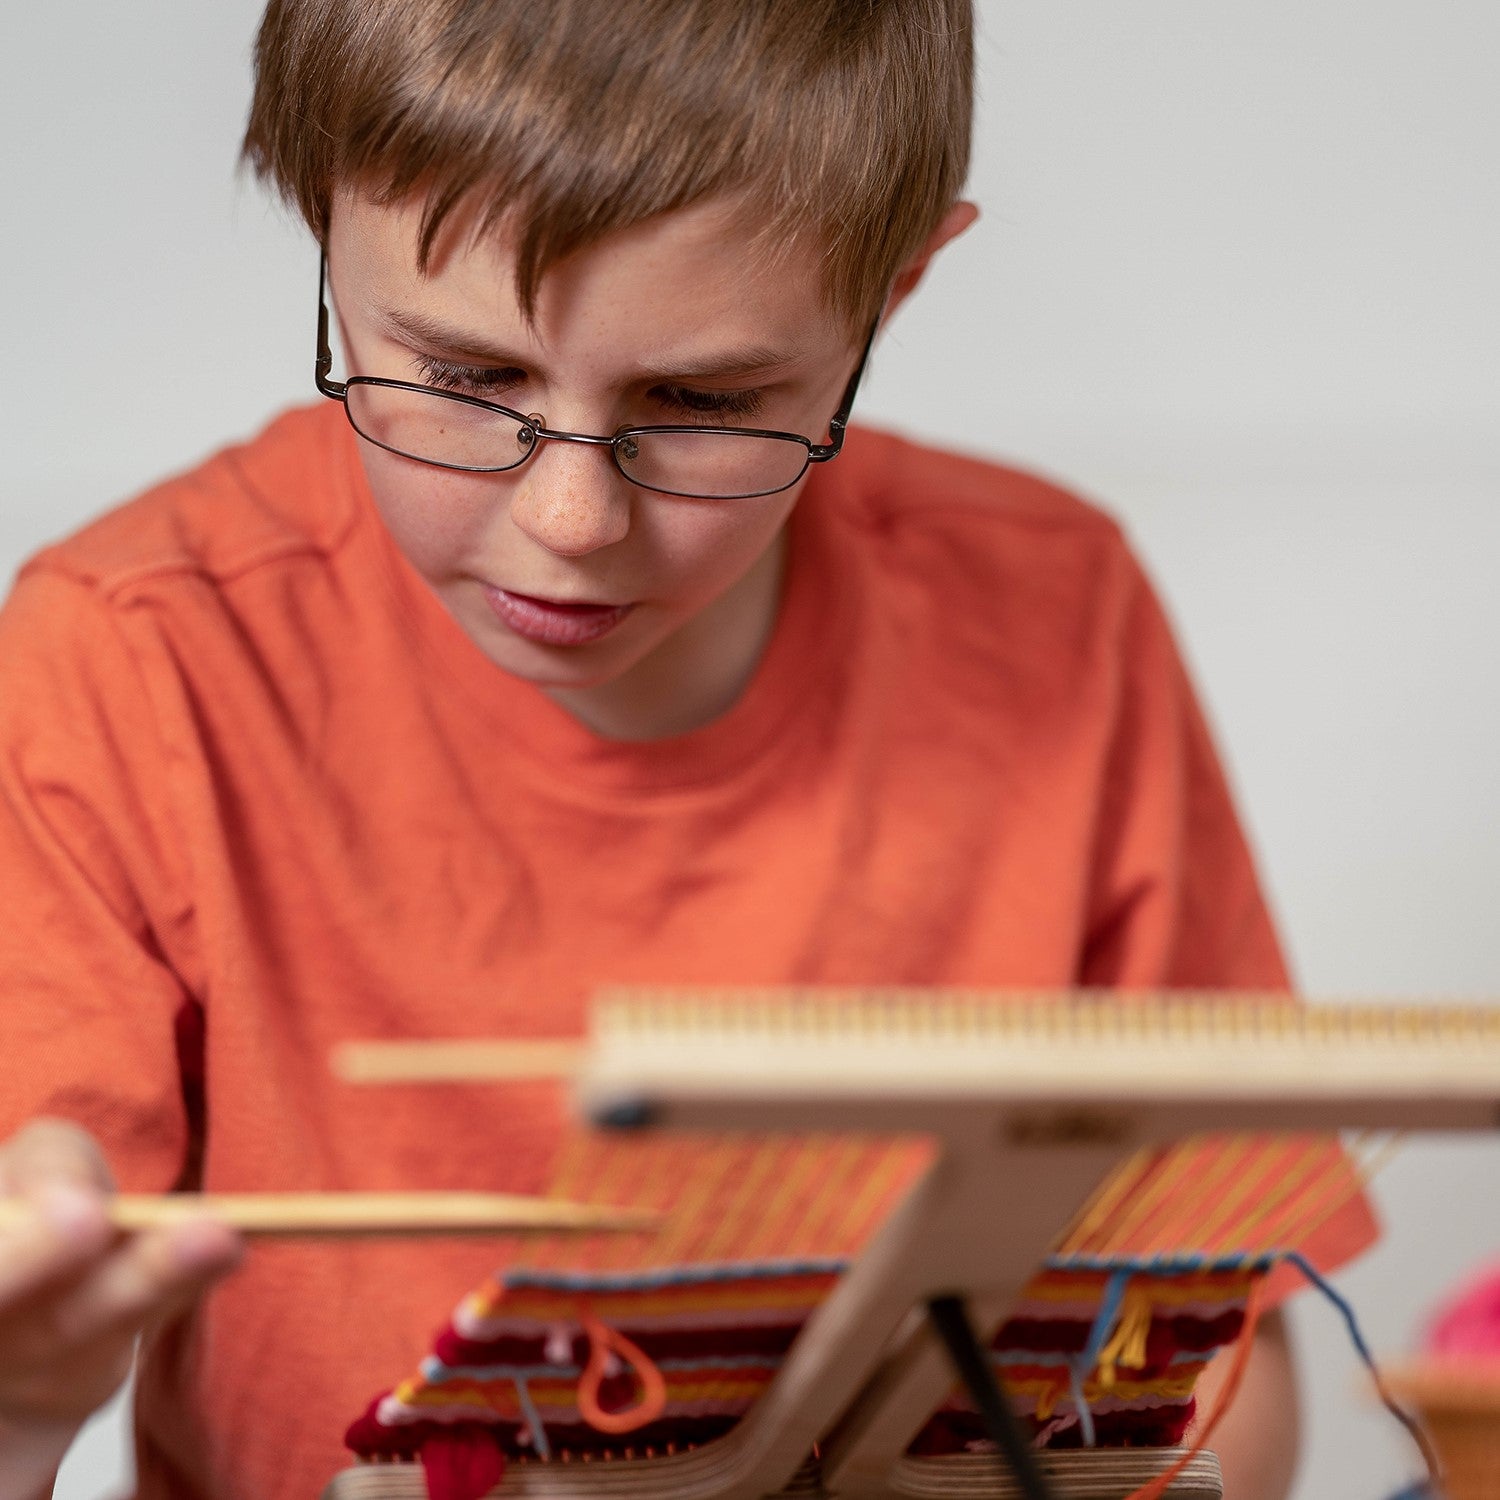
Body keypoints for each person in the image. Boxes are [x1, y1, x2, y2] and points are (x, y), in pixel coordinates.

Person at [0, 3, 1376, 1498]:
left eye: (707, 403)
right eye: (466, 382)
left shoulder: (1055, 615)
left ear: (894, 291)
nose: (572, 525)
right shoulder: (133, 654)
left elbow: (1218, 1353)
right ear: (323, 233)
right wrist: (18, 1405)